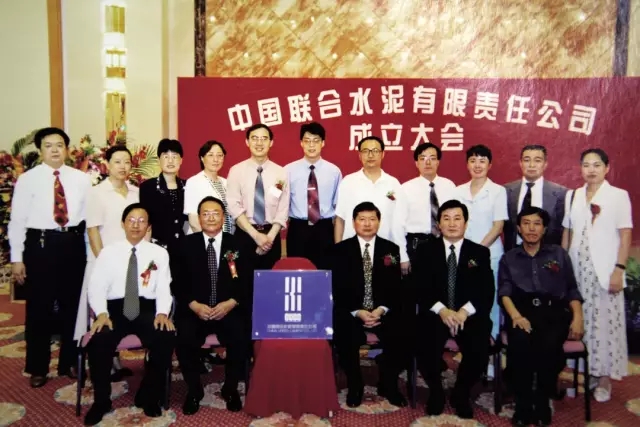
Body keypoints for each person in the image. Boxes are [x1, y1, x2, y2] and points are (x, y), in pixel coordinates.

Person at [8, 127, 91, 387]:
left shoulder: (81, 179)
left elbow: (88, 220)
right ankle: (38, 366)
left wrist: (90, 255)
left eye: (59, 145)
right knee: (39, 307)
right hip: (40, 245)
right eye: (48, 145)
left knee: (73, 307)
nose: (54, 150)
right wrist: (17, 258)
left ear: (67, 149)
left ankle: (70, 361)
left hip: (73, 244)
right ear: (40, 150)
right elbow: (17, 221)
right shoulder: (27, 179)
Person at [83, 203, 175, 426]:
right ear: (123, 224)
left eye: (141, 221)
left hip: (146, 308)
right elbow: (96, 286)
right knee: (99, 340)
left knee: (165, 337)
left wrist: (163, 312)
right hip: (114, 309)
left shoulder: (159, 253)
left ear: (148, 226)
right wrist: (101, 313)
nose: (136, 225)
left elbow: (164, 287)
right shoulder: (108, 252)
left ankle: (148, 395)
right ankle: (101, 401)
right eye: (131, 220)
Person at [499, 206, 584, 426]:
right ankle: (523, 403)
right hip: (521, 311)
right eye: (526, 223)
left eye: (537, 224)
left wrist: (578, 317)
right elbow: (504, 293)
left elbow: (572, 290)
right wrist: (516, 317)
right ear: (518, 228)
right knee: (519, 345)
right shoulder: (509, 258)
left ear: (544, 228)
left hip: (554, 313)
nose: (531, 229)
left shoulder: (558, 254)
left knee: (549, 346)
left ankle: (542, 399)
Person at [562, 148, 633, 403]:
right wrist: (562, 266)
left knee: (604, 323)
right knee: (582, 321)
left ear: (606, 168)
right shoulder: (573, 195)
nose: (591, 170)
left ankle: (604, 378)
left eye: (596, 165)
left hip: (604, 271)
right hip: (577, 269)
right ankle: (587, 373)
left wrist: (619, 269)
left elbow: (625, 234)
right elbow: (568, 232)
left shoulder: (618, 196)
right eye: (586, 165)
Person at [413, 199, 494, 419]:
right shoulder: (425, 250)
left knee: (479, 345)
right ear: (438, 224)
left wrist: (463, 312)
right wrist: (442, 311)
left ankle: (461, 393)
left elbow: (486, 290)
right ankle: (436, 392)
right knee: (423, 340)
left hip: (467, 314)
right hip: (436, 313)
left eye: (457, 218)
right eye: (446, 219)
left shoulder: (479, 252)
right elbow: (419, 286)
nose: (452, 224)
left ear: (466, 223)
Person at [174, 196, 249, 415]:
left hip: (228, 308)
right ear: (199, 218)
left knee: (240, 335)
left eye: (216, 213)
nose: (211, 218)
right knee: (184, 338)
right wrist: (194, 305)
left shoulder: (238, 244)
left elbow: (246, 280)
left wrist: (231, 303)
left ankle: (230, 388)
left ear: (223, 217)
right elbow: (177, 281)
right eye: (205, 214)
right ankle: (194, 390)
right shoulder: (185, 245)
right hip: (196, 309)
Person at [331, 202, 408, 409]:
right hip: (352, 311)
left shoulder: (390, 249)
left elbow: (395, 288)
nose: (367, 224)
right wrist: (359, 312)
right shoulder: (340, 250)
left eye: (372, 219)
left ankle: (388, 384)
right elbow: (337, 288)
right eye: (362, 219)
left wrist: (381, 309)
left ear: (379, 222)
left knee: (403, 332)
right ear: (354, 222)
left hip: (381, 310)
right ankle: (355, 384)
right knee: (343, 332)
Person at [73, 144, 139, 379]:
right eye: (117, 161)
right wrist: (104, 263)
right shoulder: (97, 193)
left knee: (119, 310)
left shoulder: (135, 192)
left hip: (129, 261)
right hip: (104, 262)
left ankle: (115, 360)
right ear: (107, 165)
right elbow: (93, 231)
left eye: (127, 162)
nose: (123, 166)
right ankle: (101, 365)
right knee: (101, 312)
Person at [454, 144, 508, 341]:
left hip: (489, 254)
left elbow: (498, 226)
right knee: (465, 298)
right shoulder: (458, 191)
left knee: (488, 299)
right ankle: (467, 345)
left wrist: (477, 252)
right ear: (467, 164)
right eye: (473, 160)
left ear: (489, 165)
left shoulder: (498, 191)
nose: (477, 165)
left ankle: (490, 345)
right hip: (462, 256)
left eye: (482, 161)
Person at [226, 123, 290, 279]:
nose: (259, 143)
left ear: (271, 142)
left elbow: (282, 208)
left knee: (270, 285)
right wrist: (255, 235)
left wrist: (268, 239)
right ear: (247, 142)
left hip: (271, 236)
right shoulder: (236, 171)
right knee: (243, 285)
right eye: (254, 138)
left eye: (264, 139)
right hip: (245, 234)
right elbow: (233, 206)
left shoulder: (280, 173)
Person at [285, 122, 341, 270]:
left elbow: (338, 205)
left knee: (325, 271)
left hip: (324, 229)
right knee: (297, 271)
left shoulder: (334, 171)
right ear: (301, 143)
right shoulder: (288, 171)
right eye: (307, 141)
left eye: (316, 140)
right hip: (298, 229)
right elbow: (280, 201)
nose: (311, 145)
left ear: (323, 143)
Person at [334, 136, 403, 249]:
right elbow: (340, 219)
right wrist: (337, 250)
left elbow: (399, 219)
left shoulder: (392, 184)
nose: (370, 155)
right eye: (366, 151)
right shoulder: (348, 182)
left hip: (385, 247)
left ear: (382, 154)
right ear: (359, 155)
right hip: (351, 248)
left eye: (375, 151)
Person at [504, 145, 567, 251]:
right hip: (513, 254)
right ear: (520, 163)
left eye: (537, 160)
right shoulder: (506, 191)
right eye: (527, 160)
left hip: (547, 254)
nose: (531, 165)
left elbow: (563, 230)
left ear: (545, 164)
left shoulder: (560, 193)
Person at [139, 138, 187, 256]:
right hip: (157, 248)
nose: (170, 161)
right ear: (158, 160)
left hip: (183, 248)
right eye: (166, 156)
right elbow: (145, 220)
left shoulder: (187, 186)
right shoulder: (148, 187)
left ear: (181, 160)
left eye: (174, 157)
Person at [184, 140, 233, 234]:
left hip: (226, 237)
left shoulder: (226, 182)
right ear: (202, 158)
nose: (216, 159)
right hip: (203, 239)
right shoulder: (194, 182)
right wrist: (208, 240)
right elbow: (193, 221)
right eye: (211, 155)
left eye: (220, 155)